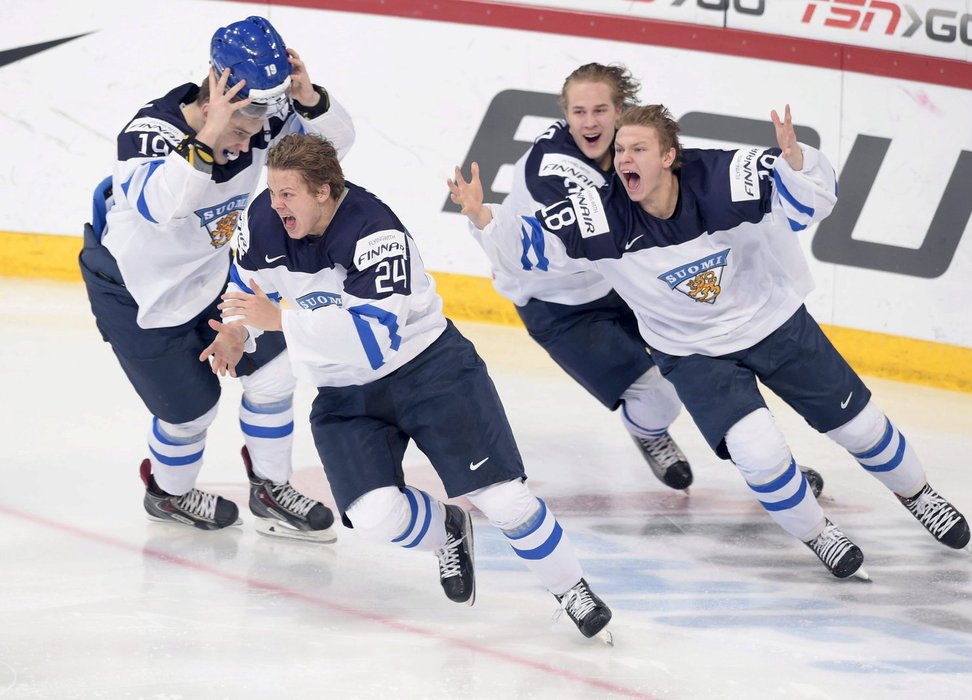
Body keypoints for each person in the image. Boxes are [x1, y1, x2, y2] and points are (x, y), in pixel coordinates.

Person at [479, 103, 971, 580]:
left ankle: (919, 495)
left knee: (861, 429)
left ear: (669, 157)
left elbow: (806, 204)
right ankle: (820, 535)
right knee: (758, 452)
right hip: (691, 354)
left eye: (638, 149)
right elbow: (533, 250)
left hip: (772, 323)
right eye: (620, 151)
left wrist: (799, 165)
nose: (624, 159)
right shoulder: (599, 213)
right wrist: (485, 220)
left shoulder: (723, 177)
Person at [206, 133, 614, 642]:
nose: (275, 204)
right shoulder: (264, 222)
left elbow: (373, 343)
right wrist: (236, 332)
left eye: (288, 194)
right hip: (345, 394)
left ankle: (571, 588)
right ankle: (446, 528)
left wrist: (282, 323)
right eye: (272, 191)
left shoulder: (376, 232)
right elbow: (248, 288)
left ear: (325, 191)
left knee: (505, 500)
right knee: (375, 519)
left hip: (429, 371)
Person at [79, 16, 356, 542]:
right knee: (192, 414)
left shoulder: (260, 123)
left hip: (214, 275)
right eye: (238, 127)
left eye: (255, 127)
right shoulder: (149, 132)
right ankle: (167, 493)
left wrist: (309, 97)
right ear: (213, 94)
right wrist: (208, 135)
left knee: (276, 375)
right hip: (137, 293)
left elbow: (331, 154)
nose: (247, 141)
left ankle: (271, 488)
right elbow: (160, 205)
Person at [446, 64, 696, 491]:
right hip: (556, 304)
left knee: (706, 363)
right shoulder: (551, 165)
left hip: (614, 282)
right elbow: (585, 236)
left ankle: (758, 459)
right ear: (565, 113)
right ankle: (649, 431)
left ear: (620, 109)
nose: (589, 121)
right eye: (578, 111)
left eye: (600, 109)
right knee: (658, 398)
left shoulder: (634, 144)